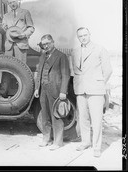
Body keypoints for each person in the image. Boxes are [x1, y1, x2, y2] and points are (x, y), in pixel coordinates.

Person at [71, 27, 112, 157]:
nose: (83, 38)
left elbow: (108, 70)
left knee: (97, 119)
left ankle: (97, 147)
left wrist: (99, 83)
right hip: (81, 89)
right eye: (80, 36)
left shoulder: (100, 49)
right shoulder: (75, 51)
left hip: (96, 90)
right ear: (78, 38)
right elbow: (76, 71)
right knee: (83, 118)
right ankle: (85, 142)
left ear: (90, 35)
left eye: (85, 35)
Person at [34, 34, 70, 151]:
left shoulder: (61, 56)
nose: (46, 46)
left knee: (56, 116)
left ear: (53, 42)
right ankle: (46, 139)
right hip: (43, 89)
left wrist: (63, 91)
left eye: (47, 44)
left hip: (56, 90)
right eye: (43, 44)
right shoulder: (42, 56)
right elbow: (39, 73)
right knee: (45, 116)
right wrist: (36, 88)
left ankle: (58, 142)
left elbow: (66, 75)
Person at [0, 0, 35, 97]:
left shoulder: (25, 13)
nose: (12, 4)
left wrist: (24, 34)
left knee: (22, 69)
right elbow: (3, 31)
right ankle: (3, 91)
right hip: (9, 46)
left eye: (13, 2)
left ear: (17, 1)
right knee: (6, 68)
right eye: (10, 3)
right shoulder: (6, 16)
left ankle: (23, 93)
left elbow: (31, 28)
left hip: (21, 45)